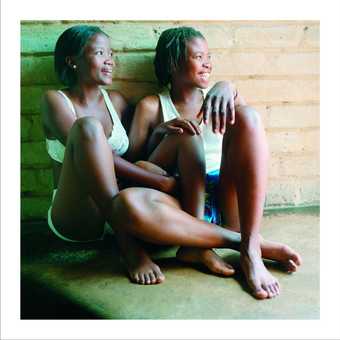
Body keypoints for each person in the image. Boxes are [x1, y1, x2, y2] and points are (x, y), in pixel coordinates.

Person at [42, 25, 301, 299]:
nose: (110, 59)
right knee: (93, 136)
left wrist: (229, 87)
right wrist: (162, 174)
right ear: (72, 60)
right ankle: (237, 245)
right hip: (90, 210)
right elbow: (127, 162)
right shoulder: (57, 100)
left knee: (241, 118)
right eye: (99, 52)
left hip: (213, 201)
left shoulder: (116, 101)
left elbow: (134, 161)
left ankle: (238, 245)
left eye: (111, 53)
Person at [127, 26, 302, 299]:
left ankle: (250, 249)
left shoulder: (219, 99)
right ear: (173, 64)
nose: (208, 62)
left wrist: (229, 88)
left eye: (209, 56)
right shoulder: (151, 106)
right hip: (183, 203)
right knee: (131, 202)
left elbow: (248, 137)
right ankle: (221, 245)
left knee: (250, 117)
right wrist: (161, 134)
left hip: (227, 200)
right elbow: (133, 168)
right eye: (199, 56)